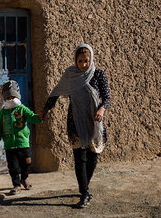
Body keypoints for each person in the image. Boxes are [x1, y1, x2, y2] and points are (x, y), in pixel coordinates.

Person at [42, 43, 111, 209]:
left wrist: (102, 109)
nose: (83, 65)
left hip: (94, 122)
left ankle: (85, 186)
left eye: (86, 61)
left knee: (93, 157)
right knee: (80, 158)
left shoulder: (98, 74)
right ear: (75, 60)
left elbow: (107, 98)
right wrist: (46, 109)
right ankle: (85, 192)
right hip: (75, 121)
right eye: (80, 61)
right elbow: (56, 93)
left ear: (91, 59)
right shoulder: (70, 75)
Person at [0, 80, 42, 195]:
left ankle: (24, 178)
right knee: (13, 167)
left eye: (12, 96)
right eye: (8, 97)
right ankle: (16, 185)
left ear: (17, 96)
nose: (11, 99)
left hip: (22, 143)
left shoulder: (22, 109)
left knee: (26, 163)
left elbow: (32, 117)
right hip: (10, 145)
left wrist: (40, 117)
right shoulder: (2, 113)